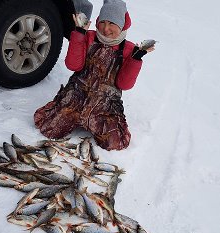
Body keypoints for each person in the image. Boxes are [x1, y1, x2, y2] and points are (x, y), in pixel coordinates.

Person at [34, 0, 155, 151]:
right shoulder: (88, 36)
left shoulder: (129, 49)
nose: (106, 28)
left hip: (104, 106)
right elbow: (73, 65)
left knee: (116, 144)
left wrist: (135, 59)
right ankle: (75, 116)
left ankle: (93, 120)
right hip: (75, 99)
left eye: (112, 23)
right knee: (48, 128)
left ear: (122, 25)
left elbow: (124, 84)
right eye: (103, 22)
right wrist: (78, 34)